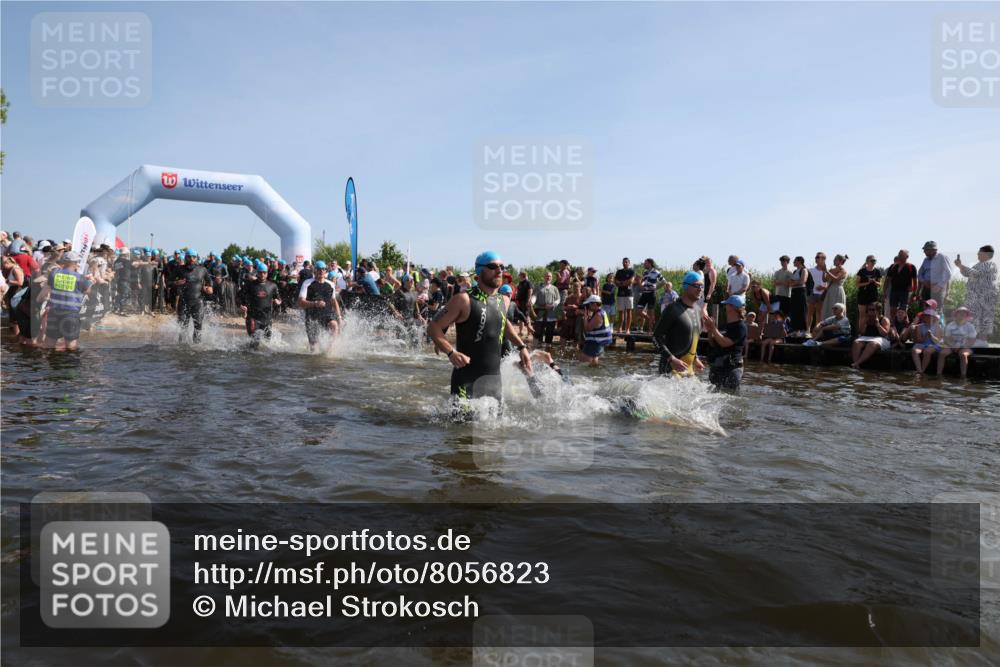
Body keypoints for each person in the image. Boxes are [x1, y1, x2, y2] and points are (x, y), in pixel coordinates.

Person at [426, 250, 532, 406]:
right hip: (466, 381)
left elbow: (502, 323)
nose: (499, 271)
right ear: (479, 270)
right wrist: (450, 352)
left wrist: (522, 346)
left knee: (495, 429)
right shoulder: (463, 299)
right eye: (493, 266)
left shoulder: (504, 300)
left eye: (502, 267)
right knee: (460, 430)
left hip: (494, 382)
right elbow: (433, 327)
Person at [653, 271, 705, 376]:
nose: (700, 289)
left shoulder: (698, 311)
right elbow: (656, 337)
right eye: (696, 286)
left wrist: (696, 358)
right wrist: (671, 359)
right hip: (671, 370)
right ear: (686, 286)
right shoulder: (672, 309)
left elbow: (691, 340)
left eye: (702, 286)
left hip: (689, 371)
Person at [40, 252, 92, 351]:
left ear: (64, 262)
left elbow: (49, 286)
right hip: (71, 313)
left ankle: (50, 364)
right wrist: (90, 282)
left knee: (49, 341)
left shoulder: (54, 274)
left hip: (54, 311)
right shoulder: (80, 277)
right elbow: (88, 291)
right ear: (75, 263)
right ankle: (70, 365)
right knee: (71, 344)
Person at [703, 294, 747, 392]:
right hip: (718, 366)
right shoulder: (725, 325)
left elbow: (724, 343)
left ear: (732, 307)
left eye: (727, 304)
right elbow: (713, 343)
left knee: (729, 397)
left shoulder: (741, 326)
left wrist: (713, 328)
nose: (725, 306)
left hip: (732, 368)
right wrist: (710, 329)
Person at [954, 245, 997, 345]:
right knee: (974, 317)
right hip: (976, 297)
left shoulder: (989, 264)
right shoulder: (979, 264)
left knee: (984, 318)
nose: (977, 254)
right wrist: (960, 266)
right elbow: (967, 274)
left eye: (980, 252)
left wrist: (961, 266)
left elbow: (975, 274)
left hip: (985, 297)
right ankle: (975, 340)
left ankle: (982, 341)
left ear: (987, 254)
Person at [298, 261, 341, 350]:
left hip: (327, 315)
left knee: (334, 325)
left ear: (326, 271)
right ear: (314, 271)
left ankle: (330, 351)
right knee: (314, 349)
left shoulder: (330, 284)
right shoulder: (307, 283)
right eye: (319, 269)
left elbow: (334, 301)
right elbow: (300, 302)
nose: (321, 271)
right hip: (312, 318)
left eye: (323, 269)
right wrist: (315, 304)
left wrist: (339, 317)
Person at [173, 250, 213, 343]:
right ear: (186, 258)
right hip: (183, 302)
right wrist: (176, 282)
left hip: (198, 303)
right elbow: (168, 281)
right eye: (189, 257)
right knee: (183, 326)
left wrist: (210, 287)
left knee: (198, 326)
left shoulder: (202, 269)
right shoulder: (179, 269)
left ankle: (197, 347)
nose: (191, 259)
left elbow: (209, 280)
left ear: (196, 258)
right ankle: (181, 347)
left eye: (194, 257)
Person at [937, 306, 977, 379]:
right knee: (942, 353)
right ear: (956, 315)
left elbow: (972, 340)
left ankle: (963, 376)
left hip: (966, 346)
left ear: (967, 316)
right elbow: (946, 338)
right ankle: (938, 374)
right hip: (952, 346)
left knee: (963, 355)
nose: (962, 315)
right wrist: (953, 346)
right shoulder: (950, 325)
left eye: (964, 314)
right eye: (960, 313)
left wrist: (961, 346)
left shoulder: (970, 326)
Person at [850, 302, 892, 369]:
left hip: (881, 338)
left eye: (873, 310)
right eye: (869, 310)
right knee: (856, 342)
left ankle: (857, 363)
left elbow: (885, 333)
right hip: (866, 337)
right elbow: (862, 332)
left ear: (878, 311)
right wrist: (865, 324)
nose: (870, 311)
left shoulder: (884, 319)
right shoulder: (866, 318)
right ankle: (856, 364)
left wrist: (878, 325)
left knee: (872, 343)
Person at [917, 241, 952, 309]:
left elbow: (948, 273)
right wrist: (924, 281)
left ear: (932, 250)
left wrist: (939, 286)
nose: (924, 252)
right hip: (926, 288)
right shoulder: (925, 260)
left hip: (938, 289)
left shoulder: (942, 257)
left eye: (925, 250)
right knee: (924, 310)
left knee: (937, 310)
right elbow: (920, 273)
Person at [579, 295, 612, 364]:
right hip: (599, 342)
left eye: (589, 305)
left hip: (596, 342)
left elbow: (587, 328)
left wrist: (585, 317)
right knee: (593, 363)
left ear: (594, 304)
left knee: (583, 362)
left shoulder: (598, 315)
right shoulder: (602, 312)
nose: (588, 307)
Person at [910, 308, 944, 375]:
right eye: (926, 316)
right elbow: (919, 340)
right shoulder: (919, 327)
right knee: (914, 350)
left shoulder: (938, 327)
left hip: (934, 344)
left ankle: (922, 371)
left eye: (929, 316)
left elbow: (938, 341)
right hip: (923, 343)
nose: (928, 318)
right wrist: (925, 336)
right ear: (923, 317)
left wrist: (931, 336)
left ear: (933, 318)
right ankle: (919, 370)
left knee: (927, 351)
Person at [883, 250, 917, 316]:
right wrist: (884, 292)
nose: (899, 256)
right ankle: (892, 325)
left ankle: (903, 326)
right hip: (894, 291)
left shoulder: (911, 267)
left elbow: (915, 282)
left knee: (903, 312)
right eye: (899, 255)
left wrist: (914, 295)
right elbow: (887, 280)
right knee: (892, 311)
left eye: (901, 255)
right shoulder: (893, 267)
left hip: (905, 293)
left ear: (907, 256)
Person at [532, 271, 560, 344]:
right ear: (544, 277)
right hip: (540, 314)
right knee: (538, 335)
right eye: (547, 276)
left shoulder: (555, 288)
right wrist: (531, 302)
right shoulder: (538, 287)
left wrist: (553, 305)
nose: (548, 277)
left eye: (550, 276)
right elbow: (534, 296)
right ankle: (538, 350)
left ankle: (548, 350)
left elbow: (558, 299)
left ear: (551, 278)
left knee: (549, 335)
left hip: (551, 314)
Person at [855, 255, 882, 324]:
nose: (874, 262)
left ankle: (873, 331)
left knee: (874, 314)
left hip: (873, 295)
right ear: (867, 262)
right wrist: (868, 283)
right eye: (872, 261)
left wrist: (874, 282)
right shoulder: (861, 271)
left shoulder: (877, 271)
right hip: (863, 295)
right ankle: (861, 332)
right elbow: (857, 284)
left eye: (875, 261)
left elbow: (879, 284)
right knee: (862, 315)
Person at [636, 258, 661, 332]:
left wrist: (656, 288)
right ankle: (650, 320)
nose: (644, 264)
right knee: (639, 311)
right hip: (644, 293)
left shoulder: (656, 272)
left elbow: (663, 281)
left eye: (645, 263)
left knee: (651, 312)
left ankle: (650, 331)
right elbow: (642, 285)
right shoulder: (645, 273)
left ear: (650, 263)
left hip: (651, 294)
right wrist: (638, 281)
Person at [821, 254, 848, 321]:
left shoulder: (843, 271)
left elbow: (836, 279)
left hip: (838, 291)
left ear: (840, 261)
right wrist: (823, 271)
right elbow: (824, 280)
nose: (833, 260)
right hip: (830, 291)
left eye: (835, 259)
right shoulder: (831, 270)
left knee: (838, 308)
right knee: (828, 308)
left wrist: (826, 271)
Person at [788, 256, 809, 334]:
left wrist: (793, 283)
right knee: (794, 311)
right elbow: (790, 283)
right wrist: (794, 283)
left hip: (801, 292)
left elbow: (803, 281)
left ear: (799, 261)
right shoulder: (795, 271)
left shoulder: (804, 270)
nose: (793, 262)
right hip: (794, 292)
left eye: (795, 261)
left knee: (802, 310)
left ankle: (804, 330)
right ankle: (795, 330)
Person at [614, 258, 635, 333]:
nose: (625, 263)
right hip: (620, 294)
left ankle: (628, 329)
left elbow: (631, 281)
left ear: (629, 263)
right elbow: (615, 281)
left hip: (629, 294)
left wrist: (621, 283)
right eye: (623, 262)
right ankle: (620, 328)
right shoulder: (619, 272)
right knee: (621, 312)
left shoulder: (631, 271)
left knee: (629, 311)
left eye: (626, 262)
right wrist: (624, 283)